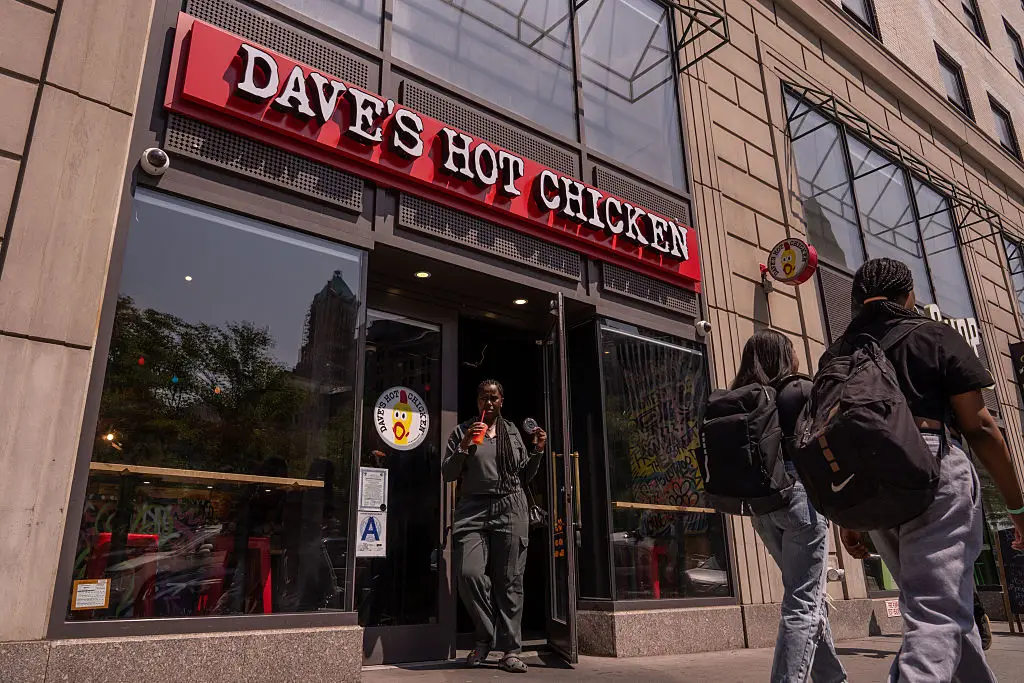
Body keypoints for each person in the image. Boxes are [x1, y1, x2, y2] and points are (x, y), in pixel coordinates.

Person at [833, 258, 1024, 683]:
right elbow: (980, 426)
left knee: (943, 608)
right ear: (909, 295)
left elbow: (835, 435)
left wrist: (849, 518)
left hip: (869, 483)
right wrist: (1018, 508)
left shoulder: (839, 351)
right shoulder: (932, 335)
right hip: (932, 467)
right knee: (936, 612)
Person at [732, 330, 848, 683]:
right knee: (803, 602)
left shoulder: (744, 397)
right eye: (793, 349)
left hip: (762, 508)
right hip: (799, 499)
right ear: (783, 356)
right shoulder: (797, 390)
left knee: (806, 594)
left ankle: (833, 680)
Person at [443, 380, 546, 673]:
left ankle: (510, 650)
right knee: (469, 574)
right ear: (477, 401)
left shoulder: (512, 432)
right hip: (473, 508)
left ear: (502, 401)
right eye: (483, 398)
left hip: (511, 507)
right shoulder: (462, 431)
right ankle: (485, 635)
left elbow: (524, 476)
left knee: (510, 580)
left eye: (494, 398)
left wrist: (537, 451)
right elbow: (448, 473)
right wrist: (464, 446)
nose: (488, 403)